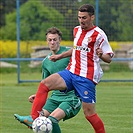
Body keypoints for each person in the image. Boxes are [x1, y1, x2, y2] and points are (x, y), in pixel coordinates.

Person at [18, 4, 114, 133]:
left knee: (89, 114)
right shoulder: (76, 30)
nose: (81, 20)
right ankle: (34, 118)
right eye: (79, 17)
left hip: (86, 78)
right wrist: (59, 56)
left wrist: (101, 54)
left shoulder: (99, 34)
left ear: (92, 17)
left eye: (84, 17)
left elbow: (109, 58)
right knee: (45, 84)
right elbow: (76, 50)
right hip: (71, 72)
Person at [14, 27, 81, 133]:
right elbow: (45, 85)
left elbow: (82, 57)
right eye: (50, 40)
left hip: (72, 97)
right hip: (55, 97)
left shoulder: (69, 53)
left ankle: (31, 120)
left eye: (55, 39)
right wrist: (38, 97)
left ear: (60, 40)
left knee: (52, 120)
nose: (52, 42)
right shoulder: (46, 62)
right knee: (39, 120)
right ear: (47, 41)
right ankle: (32, 120)